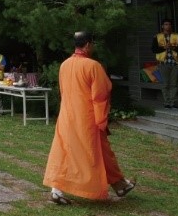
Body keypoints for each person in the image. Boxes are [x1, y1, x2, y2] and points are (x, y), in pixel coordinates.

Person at [43, 31, 136, 205]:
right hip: (87, 119)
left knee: (67, 152)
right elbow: (100, 95)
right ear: (87, 45)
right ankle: (59, 189)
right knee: (91, 155)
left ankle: (120, 184)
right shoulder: (93, 66)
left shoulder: (64, 65)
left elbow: (63, 91)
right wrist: (102, 121)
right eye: (92, 44)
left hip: (67, 117)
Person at [152, 19, 178, 109]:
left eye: (169, 24)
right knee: (165, 84)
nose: (167, 26)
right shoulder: (157, 37)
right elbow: (153, 49)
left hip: (174, 63)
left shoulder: (177, 36)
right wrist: (164, 48)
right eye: (165, 24)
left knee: (174, 84)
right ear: (162, 26)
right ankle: (167, 102)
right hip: (163, 63)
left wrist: (173, 47)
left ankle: (173, 102)